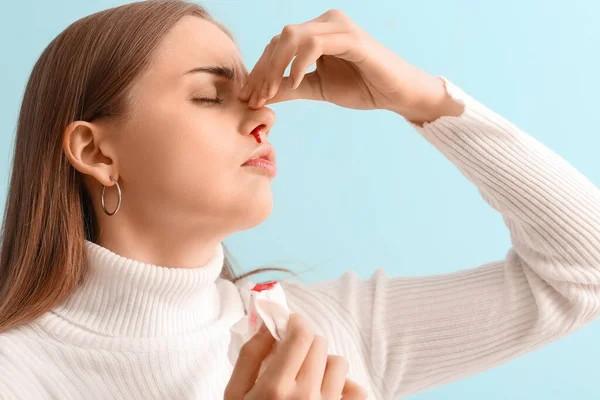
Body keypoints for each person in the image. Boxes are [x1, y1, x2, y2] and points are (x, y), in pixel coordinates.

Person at [0, 0, 598, 399]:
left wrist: (419, 98)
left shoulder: (317, 332)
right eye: (211, 96)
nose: (264, 117)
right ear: (97, 152)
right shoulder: (18, 371)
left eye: (253, 96)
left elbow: (582, 274)